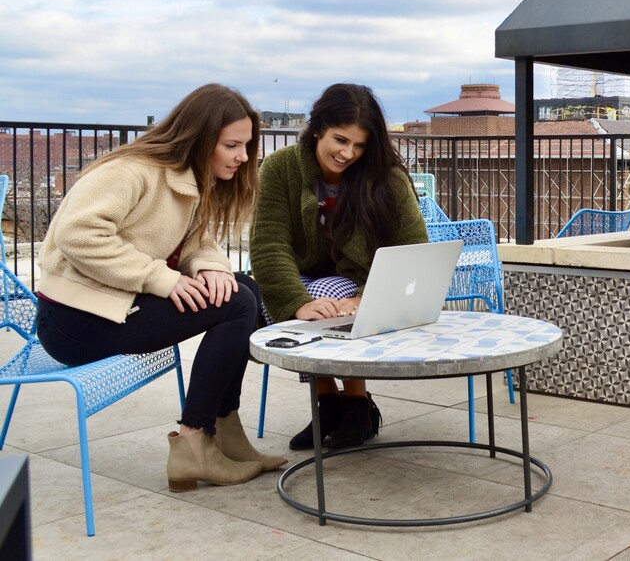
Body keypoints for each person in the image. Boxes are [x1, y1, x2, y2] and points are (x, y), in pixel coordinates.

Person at [36, 83, 287, 492]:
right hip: (74, 321)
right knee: (238, 304)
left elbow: (196, 242)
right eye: (232, 145)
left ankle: (226, 432)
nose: (243, 156)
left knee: (242, 287)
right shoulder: (132, 171)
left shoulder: (189, 177)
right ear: (201, 138)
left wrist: (210, 268)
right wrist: (160, 278)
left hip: (117, 305)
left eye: (247, 145)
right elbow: (77, 233)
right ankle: (193, 442)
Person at [250, 83, 428, 451]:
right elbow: (269, 242)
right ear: (318, 128)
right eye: (340, 140)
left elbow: (413, 246)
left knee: (326, 296)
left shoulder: (387, 177)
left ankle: (353, 404)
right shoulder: (281, 168)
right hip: (300, 274)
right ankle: (332, 401)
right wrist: (294, 301)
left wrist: (371, 296)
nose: (348, 153)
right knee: (273, 299)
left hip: (359, 280)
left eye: (360, 145)